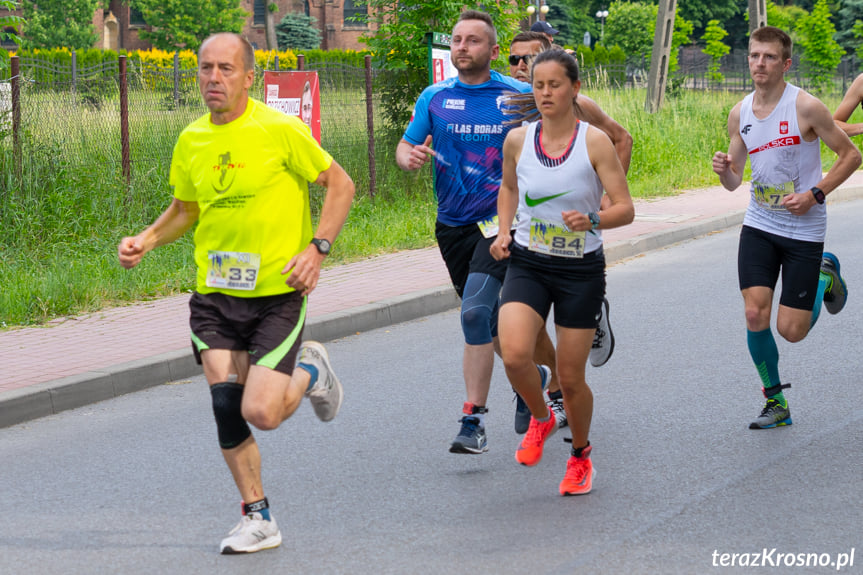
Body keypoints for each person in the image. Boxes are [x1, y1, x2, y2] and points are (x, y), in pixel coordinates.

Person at [117, 33, 355, 554]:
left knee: (262, 413)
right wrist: (147, 239)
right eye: (205, 68)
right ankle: (258, 516)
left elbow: (341, 185)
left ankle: (311, 370)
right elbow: (186, 208)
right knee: (227, 402)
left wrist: (317, 248)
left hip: (277, 293)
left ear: (249, 76)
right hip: (214, 295)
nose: (213, 79)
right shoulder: (192, 140)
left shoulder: (279, 130)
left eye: (226, 69)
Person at [396, 10, 543, 454]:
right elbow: (406, 145)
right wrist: (409, 158)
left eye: (473, 41)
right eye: (457, 40)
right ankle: (530, 376)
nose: (462, 47)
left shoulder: (519, 96)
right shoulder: (435, 97)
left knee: (475, 314)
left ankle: (472, 421)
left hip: (504, 224)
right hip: (453, 225)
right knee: (489, 323)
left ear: (493, 51)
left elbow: (567, 129)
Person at [491, 48, 634, 495]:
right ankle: (541, 417)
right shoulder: (518, 139)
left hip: (580, 270)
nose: (546, 93)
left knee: (571, 380)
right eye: (538, 85)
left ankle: (580, 456)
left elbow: (626, 210)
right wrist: (502, 232)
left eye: (555, 85)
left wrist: (592, 219)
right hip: (530, 261)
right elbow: (509, 188)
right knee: (513, 352)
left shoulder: (594, 142)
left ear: (574, 88)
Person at [712, 26, 860, 429]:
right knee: (754, 312)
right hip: (759, 223)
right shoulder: (739, 113)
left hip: (804, 229)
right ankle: (775, 402)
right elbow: (735, 180)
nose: (760, 63)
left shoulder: (807, 108)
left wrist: (816, 192)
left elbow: (850, 156)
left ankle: (824, 278)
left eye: (770, 57)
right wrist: (725, 170)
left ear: (786, 63)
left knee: (791, 331)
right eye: (755, 55)